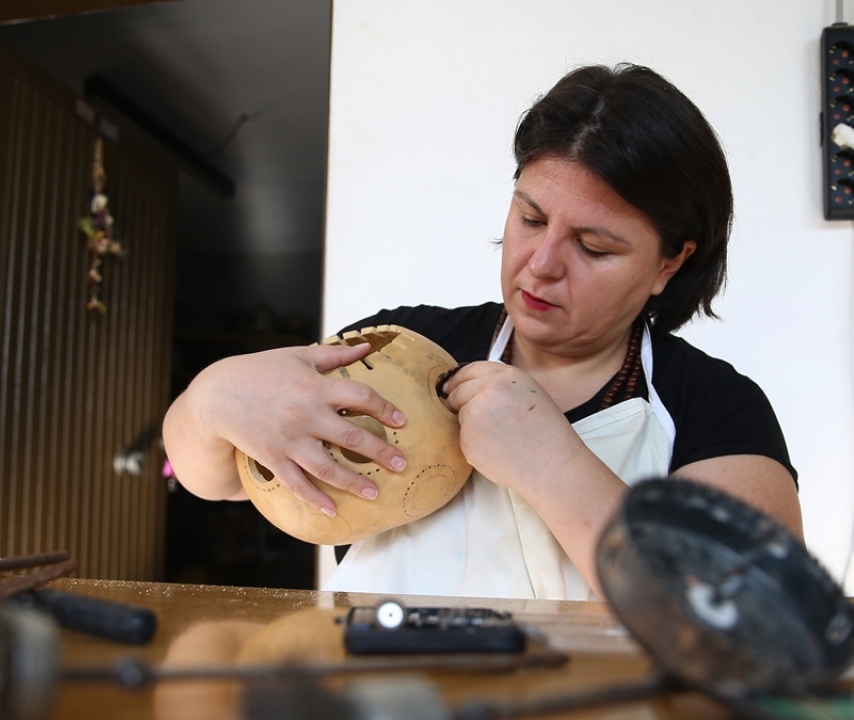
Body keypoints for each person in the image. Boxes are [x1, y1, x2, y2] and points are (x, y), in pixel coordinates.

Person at [162, 63, 802, 601]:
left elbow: (750, 622)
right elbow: (212, 478)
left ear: (671, 261)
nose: (541, 263)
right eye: (531, 217)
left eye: (594, 247)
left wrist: (553, 466)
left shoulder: (716, 410)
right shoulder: (402, 352)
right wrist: (216, 397)